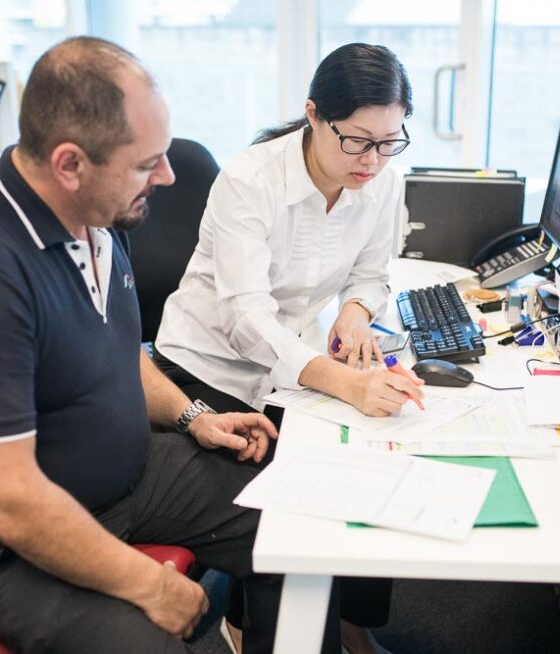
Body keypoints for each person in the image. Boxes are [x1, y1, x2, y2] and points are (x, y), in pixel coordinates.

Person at [0, 36, 288, 654]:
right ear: (70, 164)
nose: (168, 176)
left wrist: (192, 417)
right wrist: (149, 588)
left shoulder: (97, 215)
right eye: (146, 162)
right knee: (141, 643)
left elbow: (117, 350)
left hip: (125, 479)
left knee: (291, 517)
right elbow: (6, 500)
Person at [154, 43, 421, 654]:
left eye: (389, 141)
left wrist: (355, 315)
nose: (372, 160)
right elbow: (246, 318)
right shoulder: (250, 179)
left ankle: (348, 619)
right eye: (356, 140)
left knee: (368, 456)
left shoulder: (383, 182)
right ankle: (257, 629)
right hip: (203, 368)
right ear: (313, 114)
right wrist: (344, 380)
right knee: (290, 501)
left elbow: (372, 274)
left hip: (288, 369)